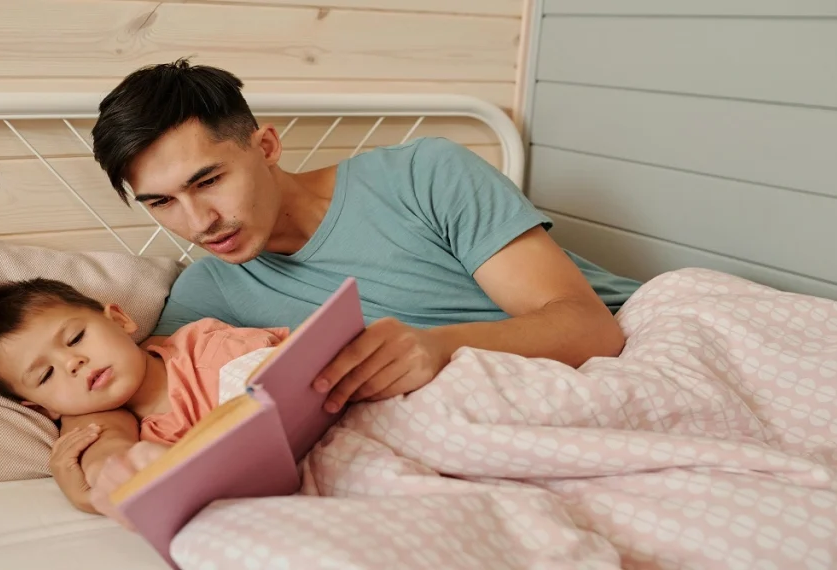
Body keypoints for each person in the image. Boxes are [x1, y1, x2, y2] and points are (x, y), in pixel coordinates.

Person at [78, 58, 643, 517]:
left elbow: (590, 326)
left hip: (636, 346)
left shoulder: (426, 175)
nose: (199, 221)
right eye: (161, 203)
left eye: (209, 180)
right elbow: (121, 391)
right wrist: (97, 455)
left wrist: (439, 347)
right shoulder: (210, 294)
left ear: (266, 147)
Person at [0, 277, 288, 520]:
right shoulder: (125, 437)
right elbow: (107, 461)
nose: (72, 363)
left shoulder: (204, 345)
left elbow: (297, 362)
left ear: (120, 320)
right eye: (45, 375)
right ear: (44, 408)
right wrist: (102, 485)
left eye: (76, 337)